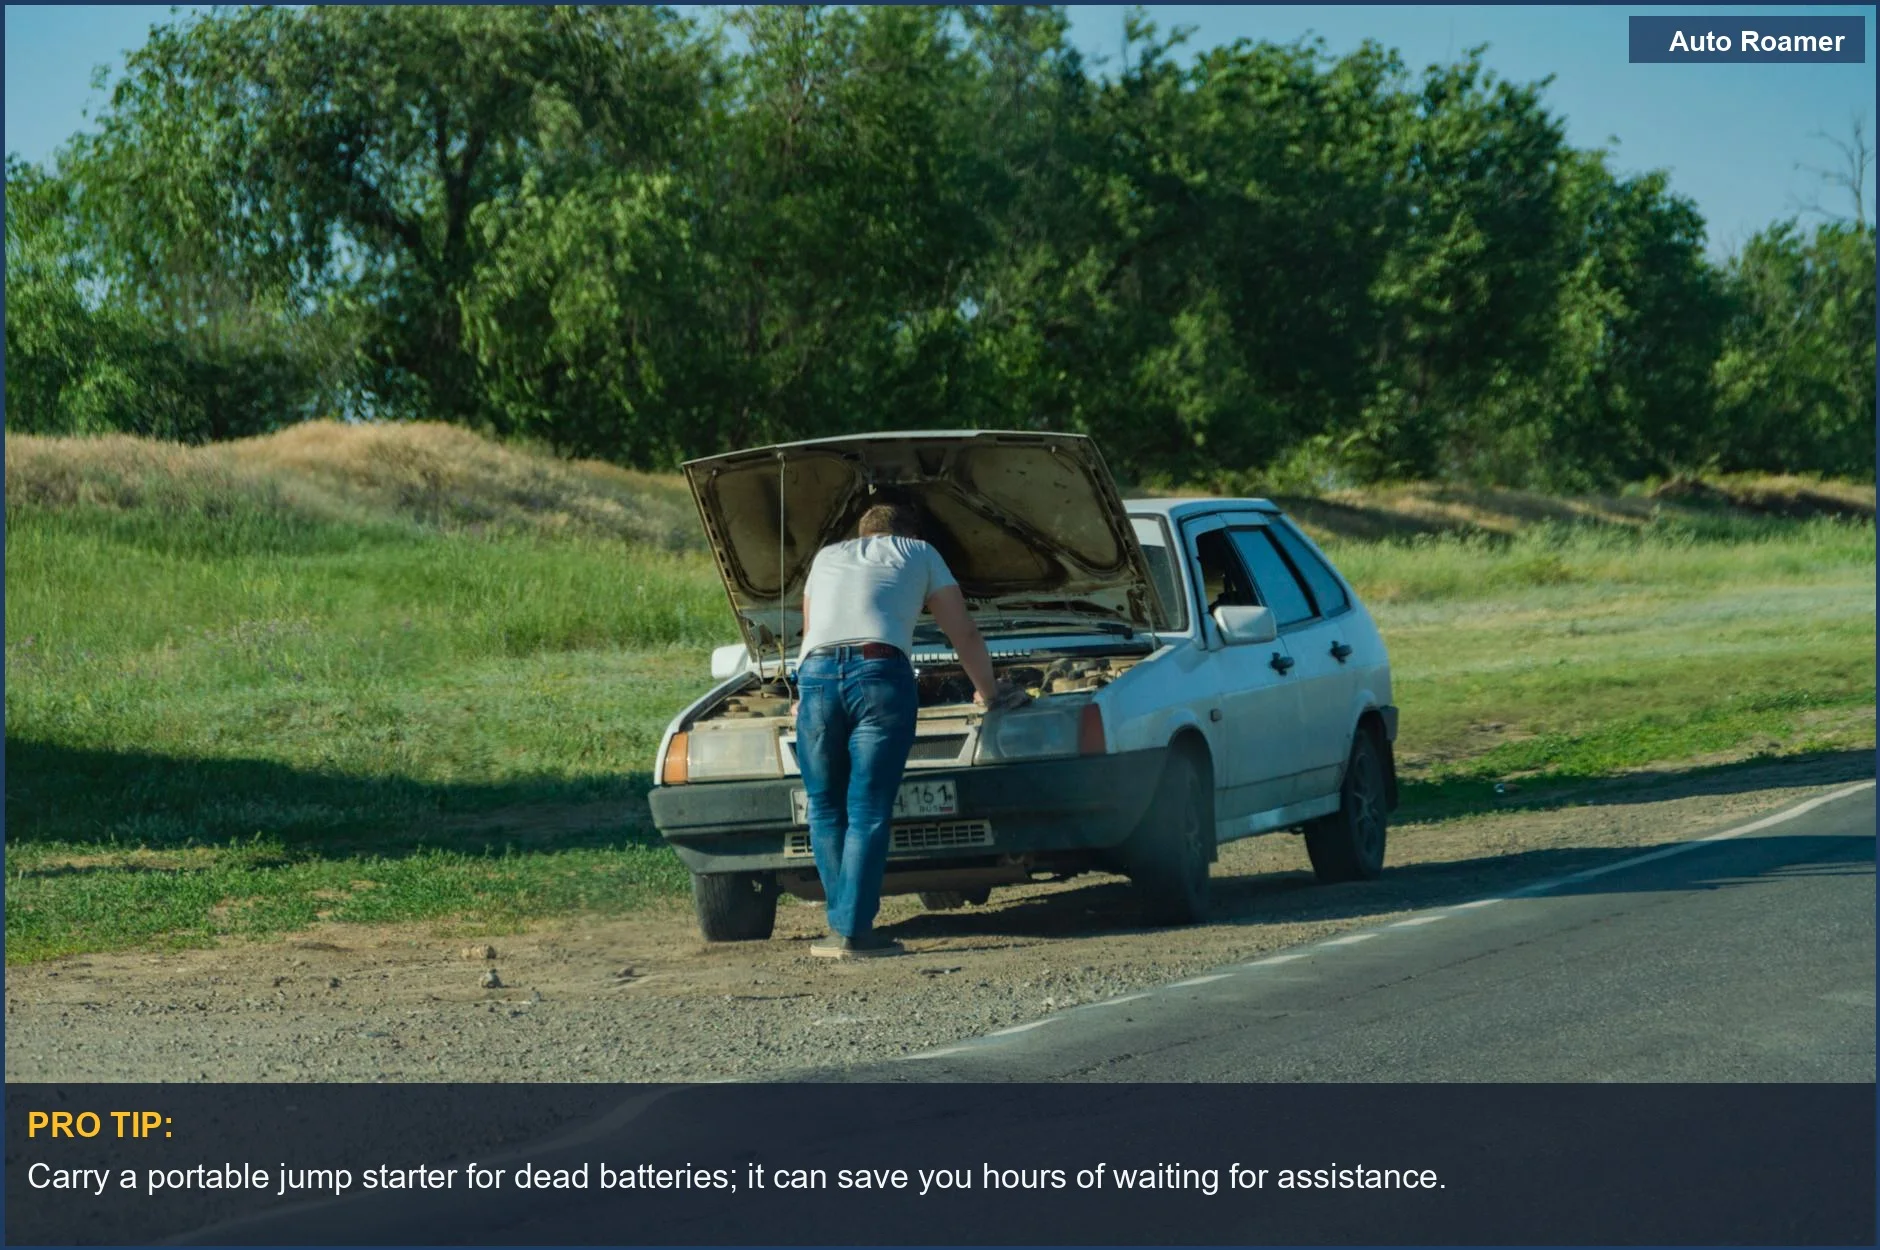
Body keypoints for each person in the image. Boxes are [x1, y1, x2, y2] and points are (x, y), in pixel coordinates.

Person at [792, 502, 1020, 959]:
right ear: (910, 531)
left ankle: (843, 925)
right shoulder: (919, 552)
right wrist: (988, 691)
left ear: (862, 534)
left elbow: (811, 630)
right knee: (868, 808)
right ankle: (854, 931)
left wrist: (801, 695)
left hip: (815, 677)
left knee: (823, 806)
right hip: (878, 674)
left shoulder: (826, 557)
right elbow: (965, 633)